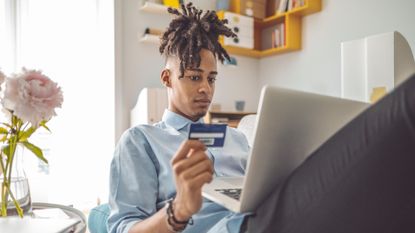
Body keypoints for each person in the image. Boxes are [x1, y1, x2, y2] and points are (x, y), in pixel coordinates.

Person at [108, 3, 415, 233]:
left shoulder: (236, 137)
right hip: (243, 228)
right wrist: (180, 209)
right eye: (193, 77)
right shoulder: (141, 141)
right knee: (406, 105)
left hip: (276, 211)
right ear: (167, 77)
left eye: (212, 78)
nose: (205, 88)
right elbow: (123, 227)